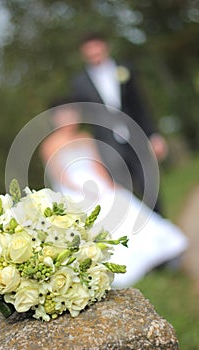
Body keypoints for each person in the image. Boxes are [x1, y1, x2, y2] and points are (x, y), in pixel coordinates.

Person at [39, 103, 188, 287]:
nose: (70, 118)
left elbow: (96, 164)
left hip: (96, 182)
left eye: (72, 113)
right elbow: (59, 174)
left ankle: (159, 254)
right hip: (73, 188)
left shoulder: (86, 137)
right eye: (64, 114)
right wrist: (82, 190)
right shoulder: (50, 144)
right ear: (55, 118)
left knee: (121, 201)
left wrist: (109, 184)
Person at [71, 32, 168, 213]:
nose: (94, 53)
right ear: (83, 53)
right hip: (108, 146)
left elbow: (140, 105)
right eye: (89, 50)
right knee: (124, 197)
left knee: (150, 187)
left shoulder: (125, 69)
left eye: (96, 47)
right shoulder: (79, 83)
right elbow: (84, 117)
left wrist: (153, 135)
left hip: (136, 137)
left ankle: (166, 233)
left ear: (104, 46)